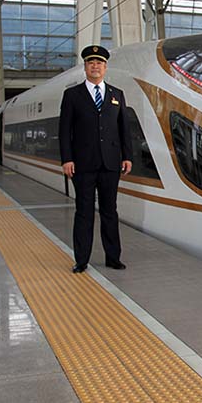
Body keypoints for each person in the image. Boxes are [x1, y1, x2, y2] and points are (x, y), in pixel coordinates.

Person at [59, 45, 133, 274]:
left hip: (111, 164)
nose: (95, 66)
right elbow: (64, 130)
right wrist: (67, 158)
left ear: (105, 67)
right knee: (84, 212)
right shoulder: (72, 95)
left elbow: (124, 129)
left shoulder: (116, 94)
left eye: (99, 62)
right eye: (91, 62)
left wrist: (128, 156)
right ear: (85, 67)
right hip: (82, 165)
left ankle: (113, 257)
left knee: (110, 211)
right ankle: (81, 260)